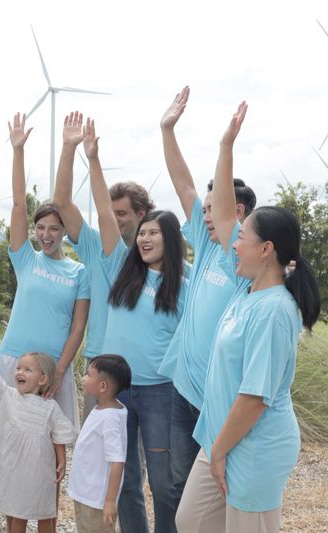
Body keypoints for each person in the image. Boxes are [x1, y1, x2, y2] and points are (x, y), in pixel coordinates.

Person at [175, 102, 321, 532]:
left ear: (267, 249)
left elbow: (256, 397)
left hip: (252, 447)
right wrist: (225, 146)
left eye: (244, 239)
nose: (232, 244)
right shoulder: (247, 292)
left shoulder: (276, 310)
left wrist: (219, 451)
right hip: (221, 438)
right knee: (192, 522)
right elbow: (222, 215)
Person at [83, 116, 188, 533]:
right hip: (119, 391)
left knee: (164, 483)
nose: (144, 239)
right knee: (123, 482)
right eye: (141, 233)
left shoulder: (187, 279)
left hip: (161, 390)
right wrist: (93, 159)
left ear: (171, 238)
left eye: (153, 233)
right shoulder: (122, 267)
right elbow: (107, 217)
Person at [157, 86, 257, 500]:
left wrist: (225, 144)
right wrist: (166, 131)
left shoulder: (240, 259)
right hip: (183, 389)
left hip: (219, 399)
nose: (204, 215)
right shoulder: (205, 240)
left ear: (236, 214)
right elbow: (183, 185)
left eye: (214, 209)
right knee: (181, 485)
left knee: (218, 491)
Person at [52, 111, 155, 419]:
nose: (115, 219)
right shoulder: (94, 243)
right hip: (99, 358)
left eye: (122, 213)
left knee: (134, 456)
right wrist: (70, 149)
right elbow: (61, 202)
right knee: (97, 445)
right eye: (113, 213)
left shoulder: (157, 255)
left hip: (142, 363)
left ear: (142, 214)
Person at [0, 112, 90, 431]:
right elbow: (18, 206)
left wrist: (61, 372)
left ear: (65, 230)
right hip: (14, 361)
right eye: (40, 228)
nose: (46, 235)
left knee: (51, 448)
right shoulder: (26, 259)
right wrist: (18, 150)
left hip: (52, 369)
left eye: (54, 228)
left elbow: (77, 329)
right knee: (11, 444)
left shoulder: (79, 272)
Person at [0, 321, 76, 533]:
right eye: (18, 368)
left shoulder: (50, 407)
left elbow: (59, 435)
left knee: (45, 513)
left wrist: (62, 461)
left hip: (38, 472)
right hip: (13, 469)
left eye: (27, 369)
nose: (19, 372)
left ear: (43, 379)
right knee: (16, 514)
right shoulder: (9, 395)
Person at [68, 355, 130, 533]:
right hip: (85, 494)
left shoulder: (110, 418)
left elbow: (117, 461)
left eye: (88, 375)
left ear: (103, 386)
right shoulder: (103, 409)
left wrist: (110, 501)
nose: (83, 378)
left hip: (97, 500)